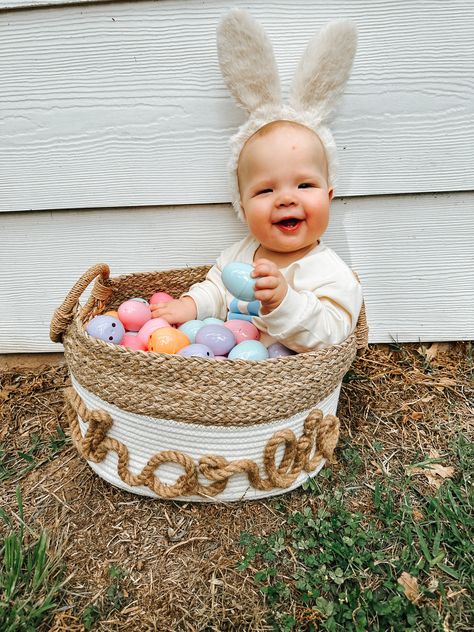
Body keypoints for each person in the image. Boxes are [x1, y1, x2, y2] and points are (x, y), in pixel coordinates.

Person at [151, 11, 363, 352]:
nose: (286, 199)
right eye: (266, 190)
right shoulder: (240, 254)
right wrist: (190, 307)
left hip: (283, 379)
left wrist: (283, 302)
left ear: (329, 195)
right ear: (242, 205)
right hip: (235, 373)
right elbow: (217, 290)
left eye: (305, 186)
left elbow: (332, 334)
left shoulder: (332, 274)